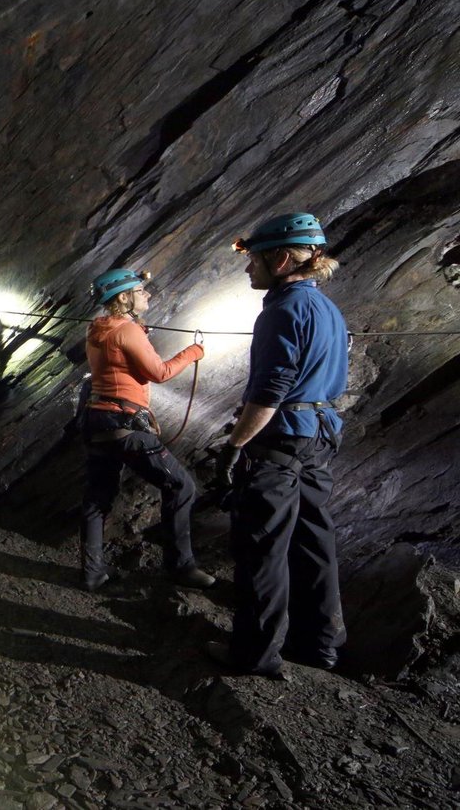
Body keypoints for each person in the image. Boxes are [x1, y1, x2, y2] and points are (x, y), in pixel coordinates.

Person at [212, 213, 347, 678]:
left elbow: (271, 389)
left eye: (253, 261)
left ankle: (255, 655)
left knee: (264, 547)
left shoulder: (283, 309)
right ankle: (322, 647)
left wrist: (235, 444)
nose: (248, 269)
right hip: (318, 438)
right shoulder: (328, 308)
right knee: (314, 544)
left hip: (282, 441)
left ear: (282, 258)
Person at [79, 268, 214, 591]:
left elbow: (118, 359)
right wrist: (194, 352)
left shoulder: (97, 328)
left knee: (98, 499)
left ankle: (92, 574)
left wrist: (139, 332)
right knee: (182, 487)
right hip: (124, 422)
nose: (147, 294)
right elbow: (160, 372)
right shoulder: (127, 330)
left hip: (98, 419)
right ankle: (181, 567)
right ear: (123, 298)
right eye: (140, 290)